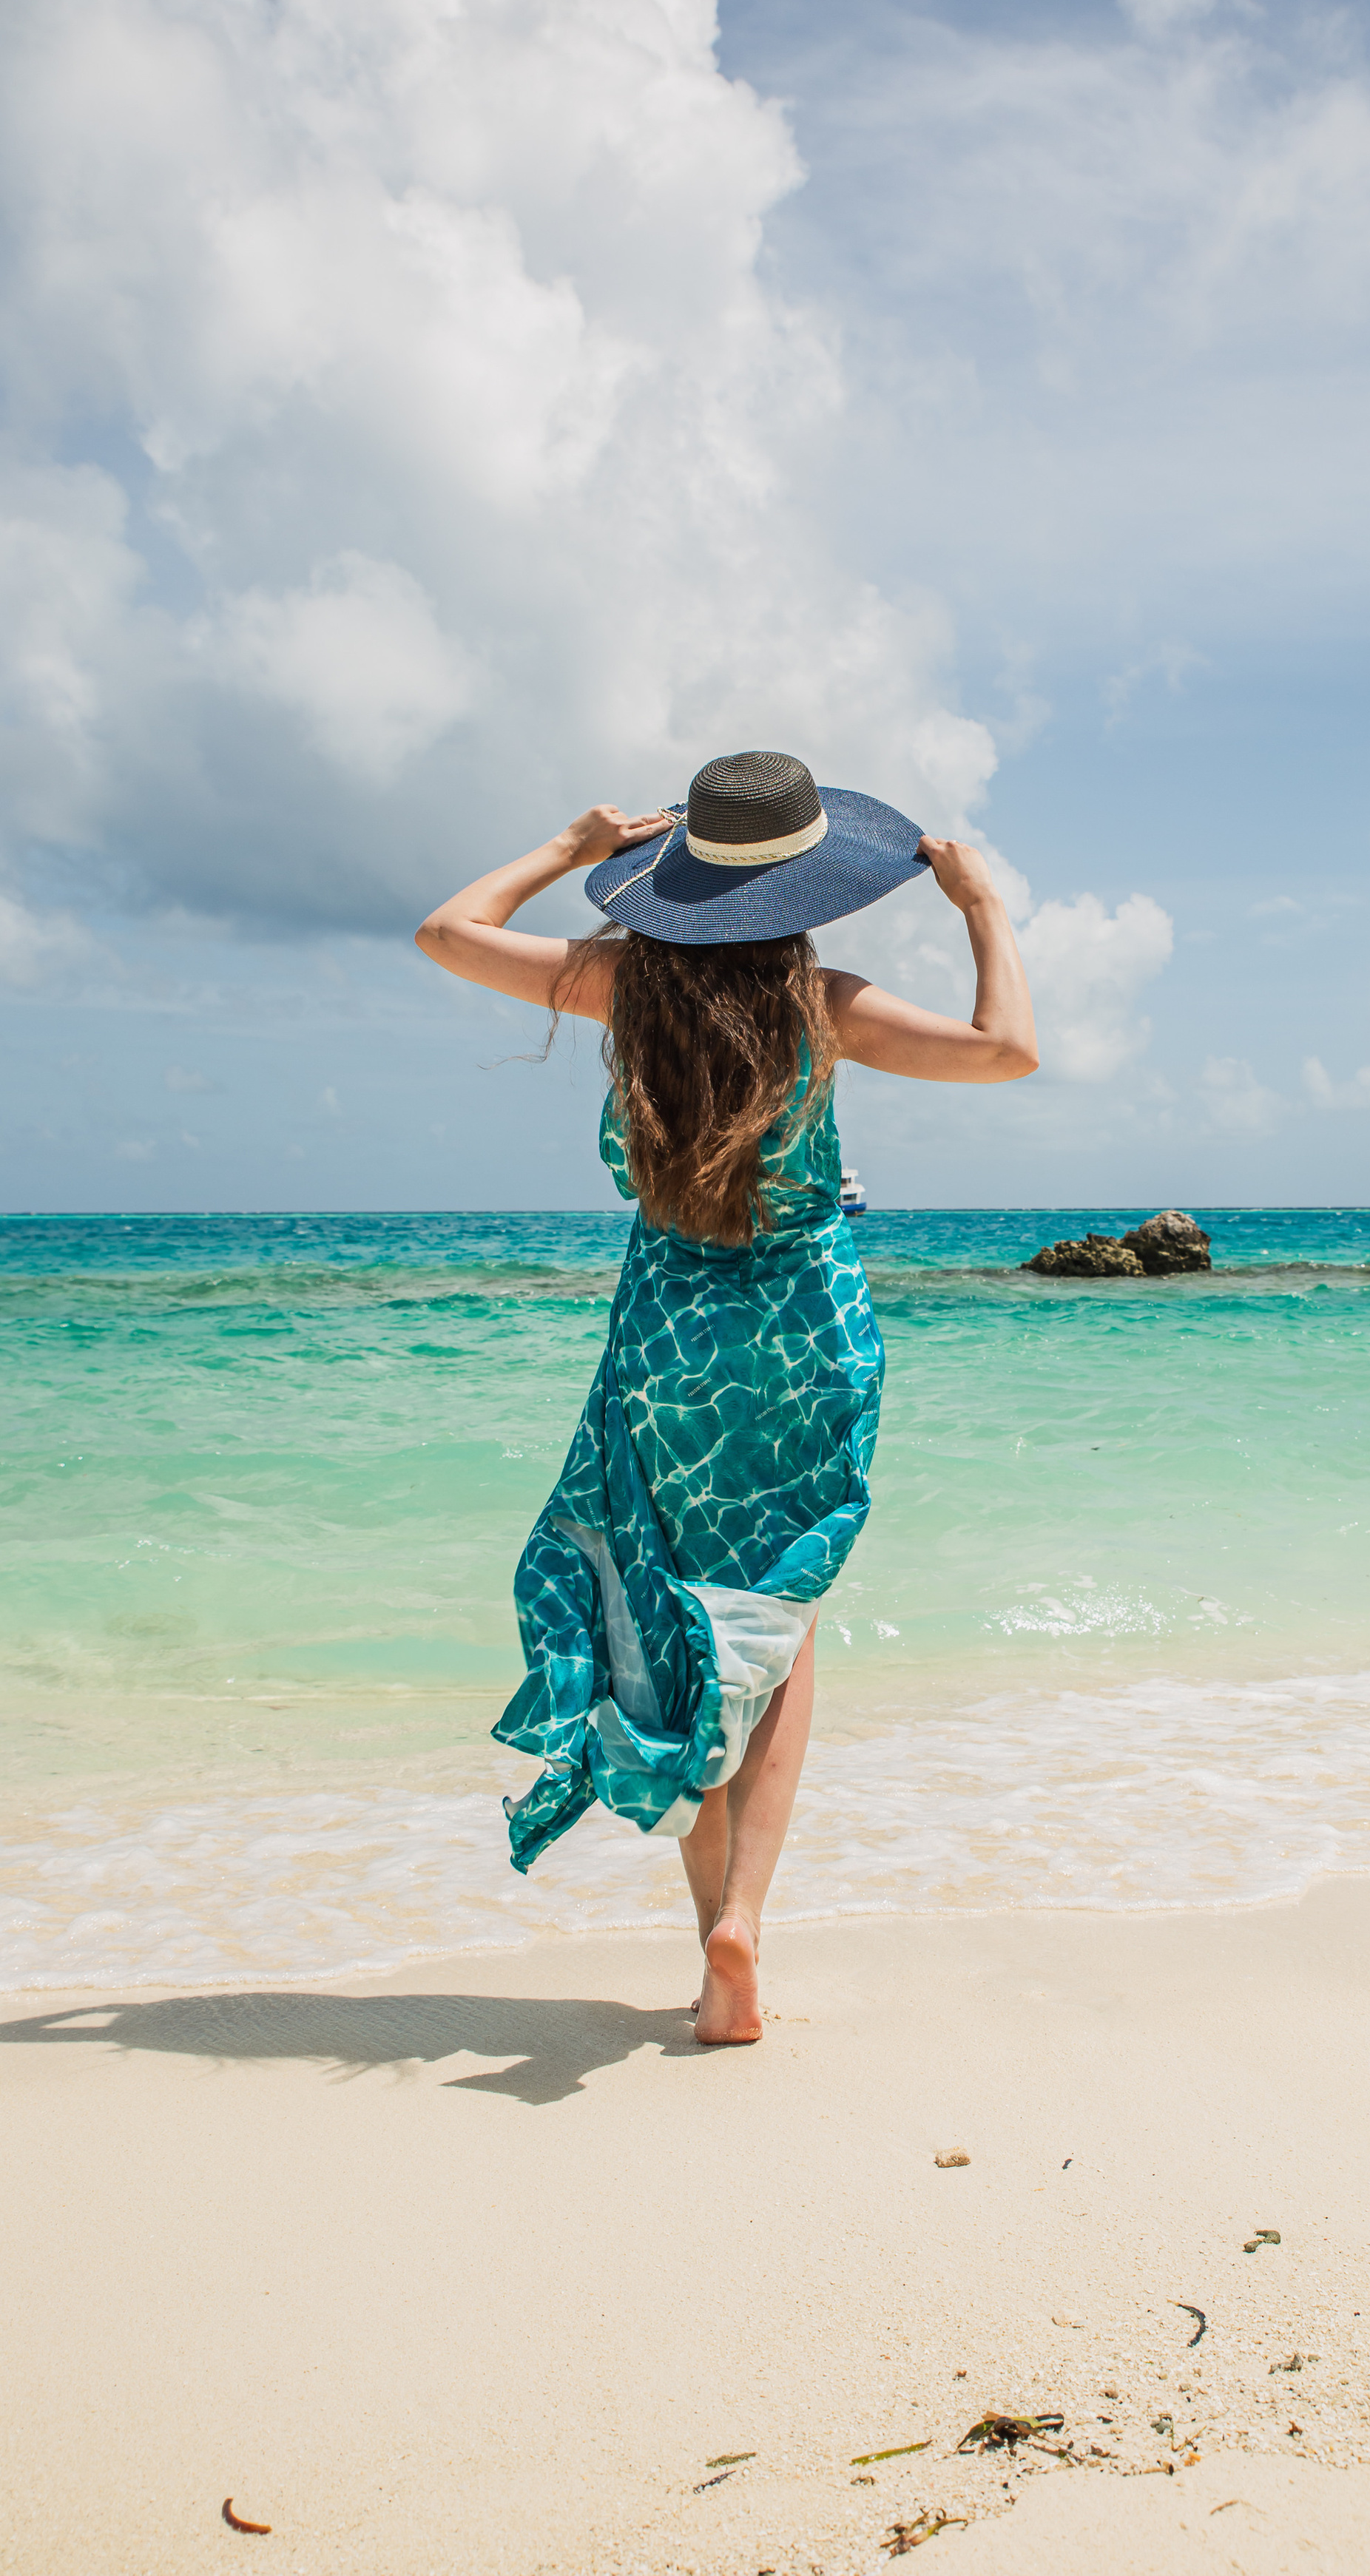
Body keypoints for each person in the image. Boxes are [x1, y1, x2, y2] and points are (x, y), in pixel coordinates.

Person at [416, 748, 1036, 2043]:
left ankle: (714, 1947)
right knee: (776, 1615)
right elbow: (1005, 1052)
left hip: (669, 1338)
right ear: (811, 883)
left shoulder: (616, 986)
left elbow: (447, 933)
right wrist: (980, 904)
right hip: (811, 1331)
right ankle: (745, 1923)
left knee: (678, 1613)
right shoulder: (828, 1003)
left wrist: (568, 846)